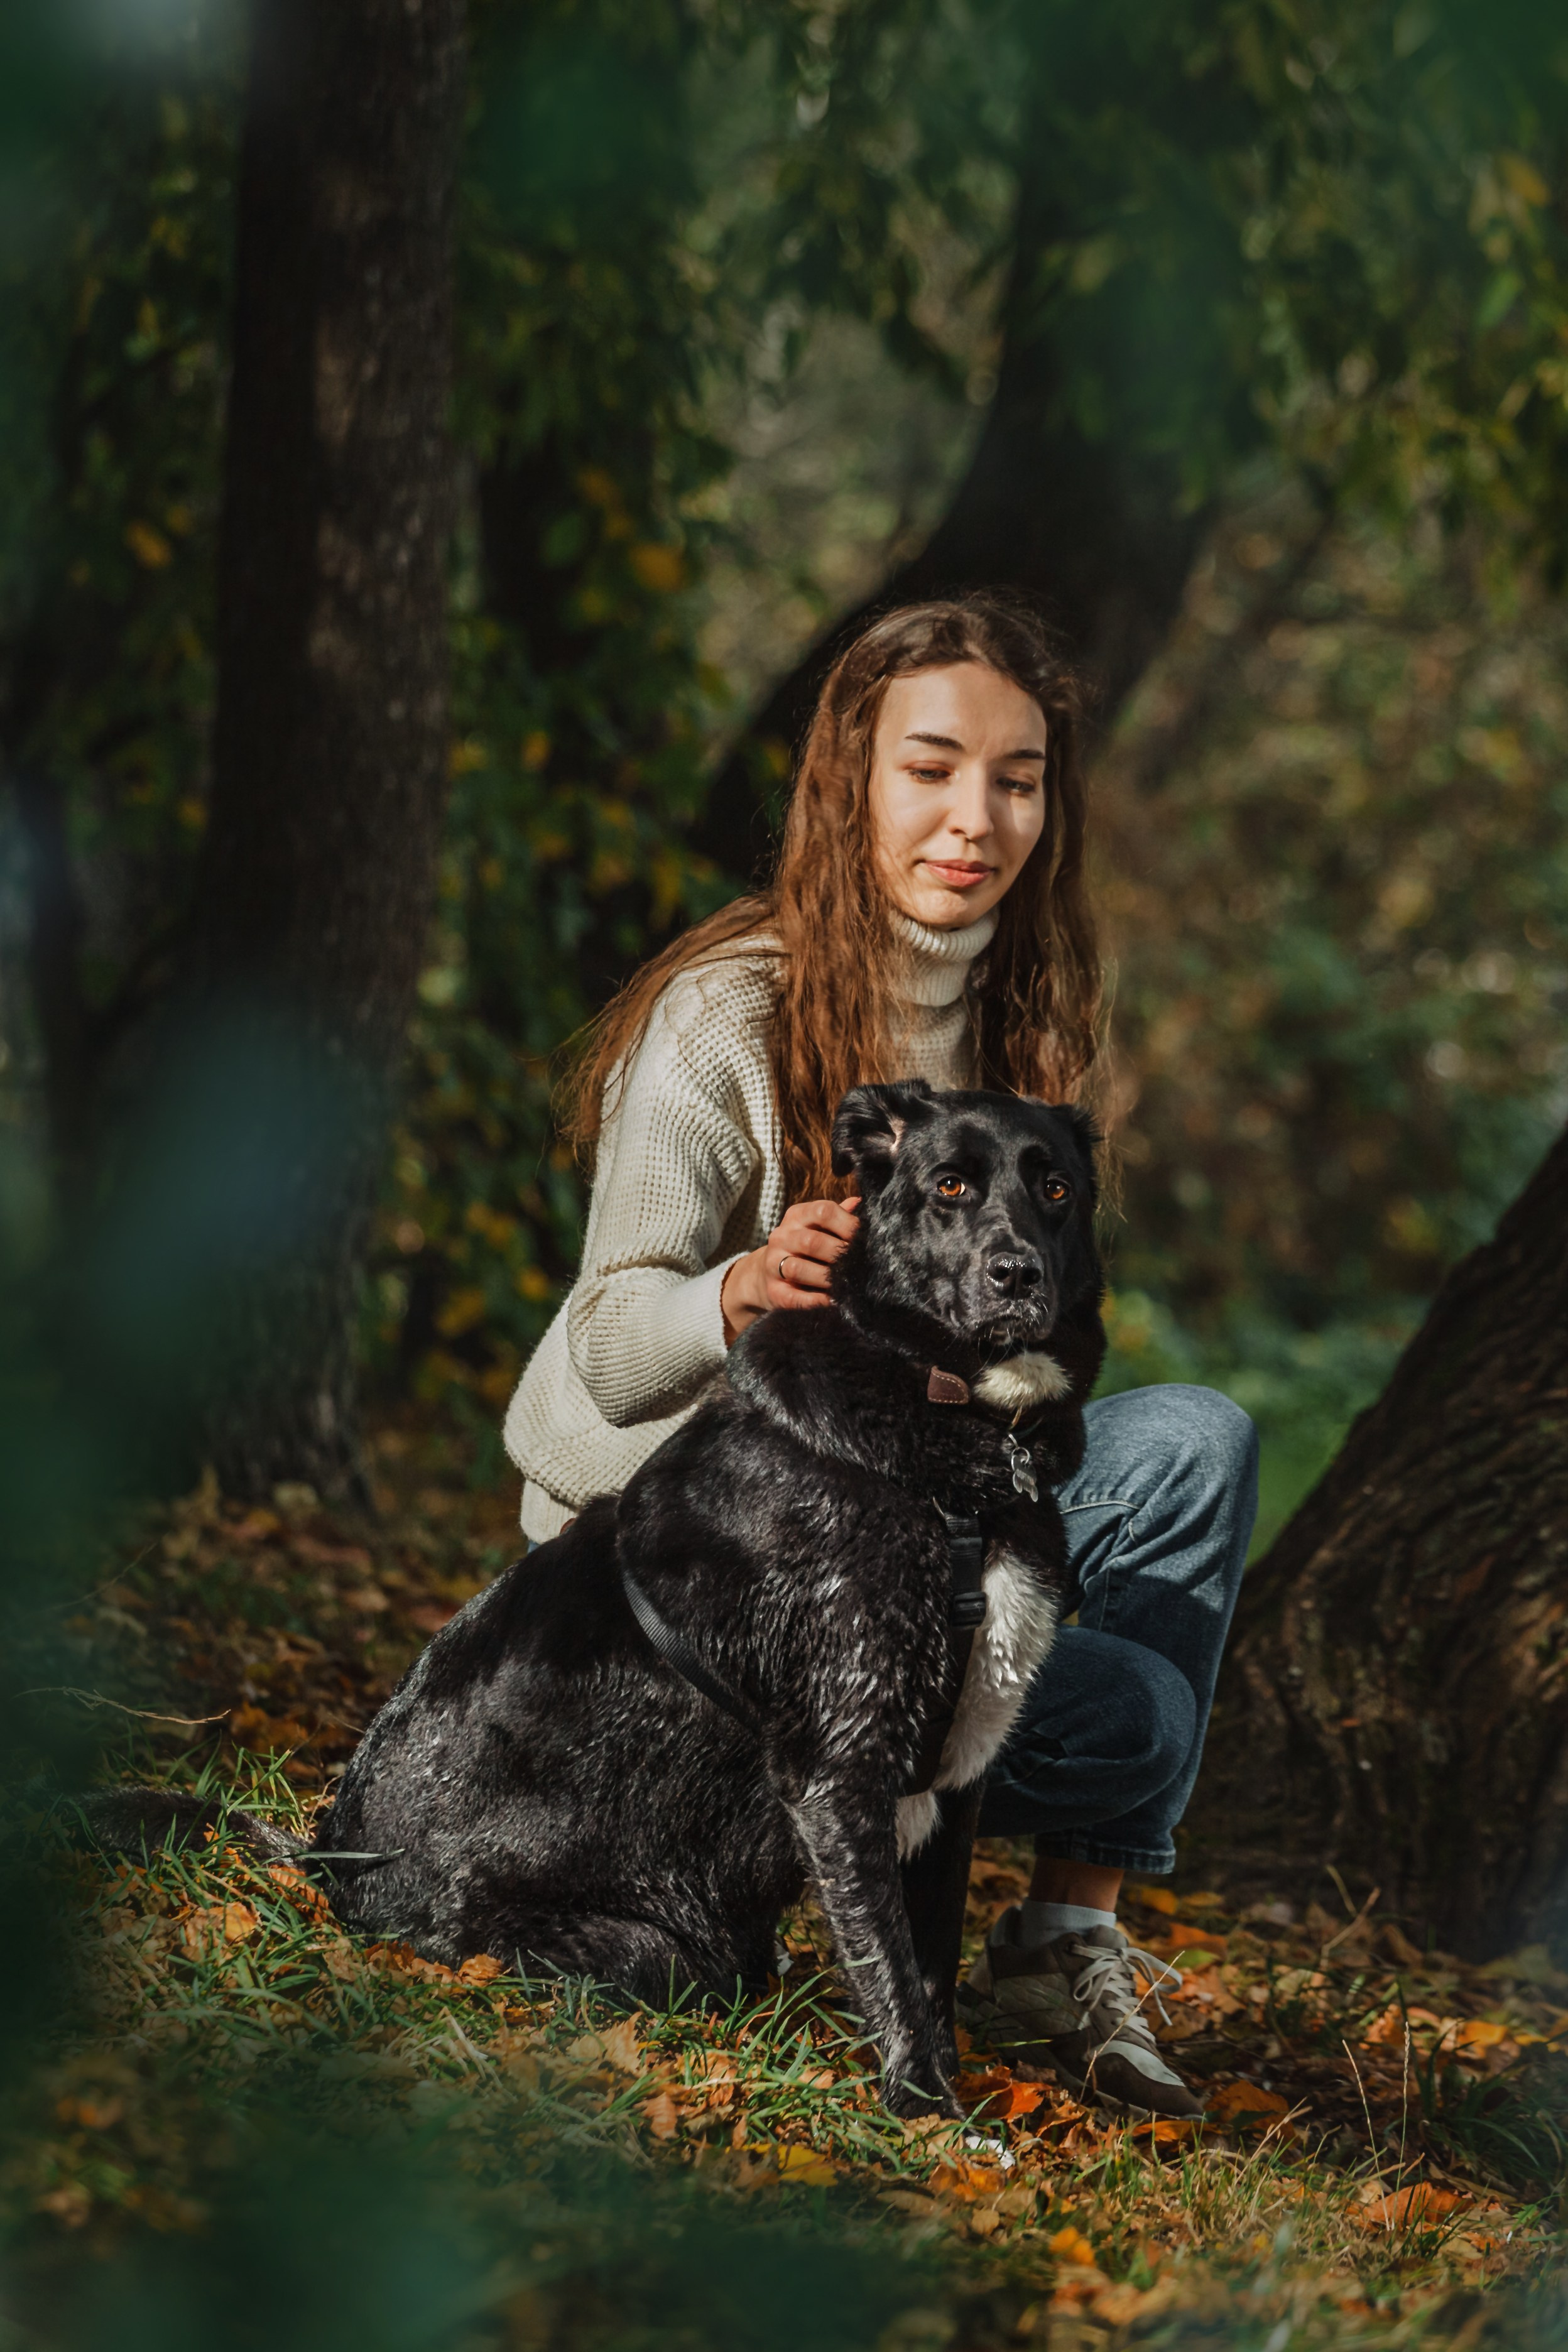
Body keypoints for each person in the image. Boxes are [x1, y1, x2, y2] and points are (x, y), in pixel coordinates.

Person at [504, 595, 1257, 2118]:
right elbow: (596, 1341)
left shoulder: (1027, 1015)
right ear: (850, 779)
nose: (976, 818)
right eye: (931, 768)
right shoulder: (728, 1010)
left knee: (1195, 1442)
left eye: (1020, 777)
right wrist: (731, 1295)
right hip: (691, 1560)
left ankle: (1064, 1941)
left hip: (919, 1494)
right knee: (1121, 1716)